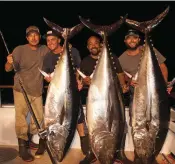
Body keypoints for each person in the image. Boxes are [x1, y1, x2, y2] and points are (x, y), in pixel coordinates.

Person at [79, 35, 128, 164]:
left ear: (101, 44)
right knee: (92, 124)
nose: (93, 46)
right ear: (87, 47)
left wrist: (123, 86)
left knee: (121, 123)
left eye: (96, 43)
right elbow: (80, 80)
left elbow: (120, 73)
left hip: (112, 97)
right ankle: (91, 153)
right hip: (94, 99)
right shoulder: (85, 61)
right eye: (90, 44)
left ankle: (120, 153)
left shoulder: (112, 58)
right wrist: (84, 81)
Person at [5, 26, 49, 162]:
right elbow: (7, 69)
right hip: (20, 89)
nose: (34, 37)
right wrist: (9, 62)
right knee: (21, 120)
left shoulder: (44, 49)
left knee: (39, 120)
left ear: (39, 36)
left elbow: (57, 52)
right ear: (27, 38)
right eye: (30, 35)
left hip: (37, 90)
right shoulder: (19, 49)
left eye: (36, 35)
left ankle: (38, 142)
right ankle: (22, 149)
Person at [41, 30, 89, 156]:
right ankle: (44, 141)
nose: (50, 42)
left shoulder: (73, 52)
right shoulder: (48, 56)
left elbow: (78, 68)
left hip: (71, 89)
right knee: (50, 115)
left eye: (53, 39)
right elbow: (46, 73)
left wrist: (79, 81)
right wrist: (47, 78)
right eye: (48, 40)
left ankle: (84, 141)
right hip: (56, 91)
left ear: (59, 40)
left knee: (78, 115)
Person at [119, 29, 168, 108]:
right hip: (136, 92)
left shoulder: (148, 50)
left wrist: (164, 82)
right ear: (125, 41)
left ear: (139, 39)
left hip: (153, 88)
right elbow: (123, 75)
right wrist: (129, 81)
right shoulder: (121, 59)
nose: (132, 40)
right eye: (129, 38)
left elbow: (162, 67)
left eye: (134, 38)